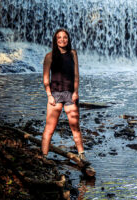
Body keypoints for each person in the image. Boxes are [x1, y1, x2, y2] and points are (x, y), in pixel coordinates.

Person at [42, 28, 85, 160]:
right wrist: (49, 95)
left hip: (70, 94)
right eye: (59, 37)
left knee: (75, 128)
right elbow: (45, 79)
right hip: (55, 95)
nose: (62, 40)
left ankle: (82, 156)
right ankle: (43, 157)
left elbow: (76, 75)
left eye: (64, 37)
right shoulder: (49, 56)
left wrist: (76, 92)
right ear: (55, 40)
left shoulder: (73, 53)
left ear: (68, 39)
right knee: (49, 128)